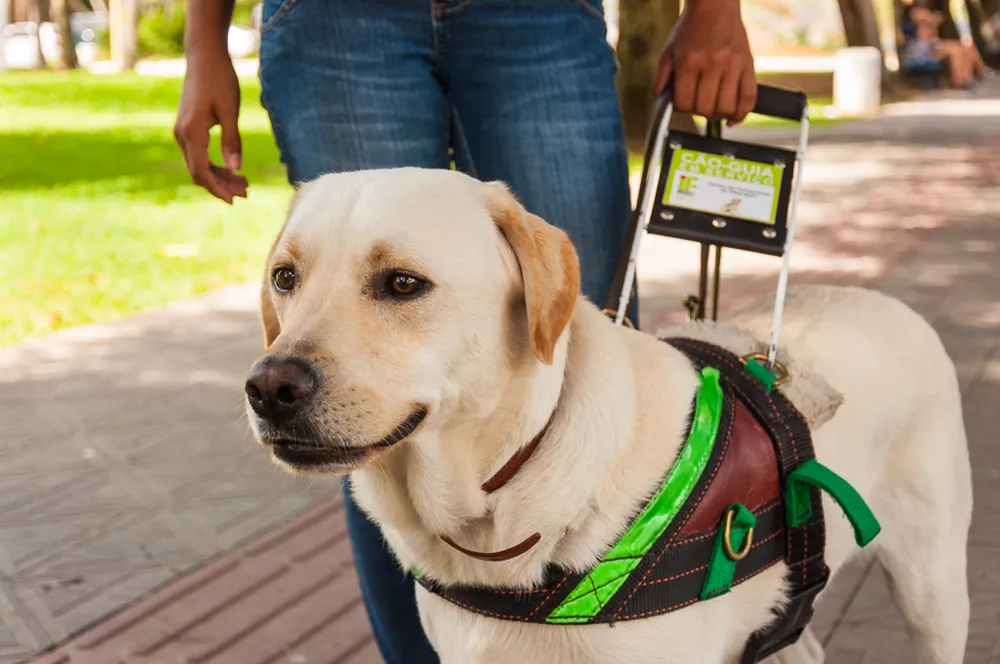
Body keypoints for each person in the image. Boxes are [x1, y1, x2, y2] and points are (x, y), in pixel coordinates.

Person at [175, 1, 756, 661]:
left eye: (399, 285)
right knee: (368, 418)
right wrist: (204, 44)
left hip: (539, 15)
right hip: (332, 19)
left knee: (588, 342)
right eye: (284, 280)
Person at [901, 3, 987, 88]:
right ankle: (958, 80)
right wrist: (933, 18)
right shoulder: (913, 11)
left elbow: (937, 20)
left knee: (965, 47)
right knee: (955, 50)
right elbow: (929, 19)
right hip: (920, 49)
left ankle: (967, 78)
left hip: (932, 45)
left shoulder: (925, 12)